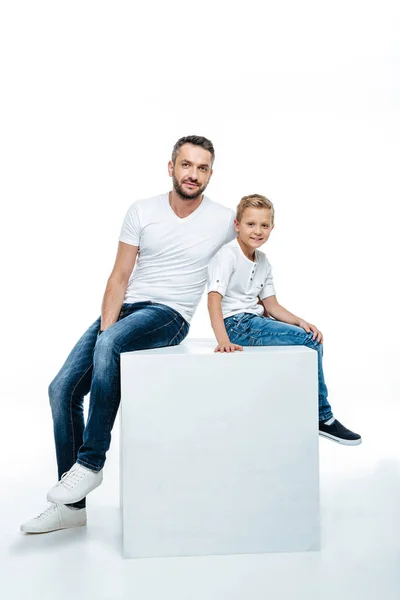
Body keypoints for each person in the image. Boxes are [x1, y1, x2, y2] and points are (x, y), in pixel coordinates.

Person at [21, 135, 236, 534]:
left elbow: (247, 259)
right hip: (127, 309)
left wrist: (270, 314)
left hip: (170, 315)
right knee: (62, 389)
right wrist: (108, 327)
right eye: (186, 165)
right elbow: (119, 278)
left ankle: (90, 462)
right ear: (171, 167)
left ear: (210, 174)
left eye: (202, 168)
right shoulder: (142, 210)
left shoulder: (224, 219)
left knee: (112, 343)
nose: (193, 174)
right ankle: (73, 508)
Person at [207, 193, 361, 446]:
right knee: (309, 343)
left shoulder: (264, 261)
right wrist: (223, 340)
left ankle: (303, 410)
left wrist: (301, 321)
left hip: (253, 321)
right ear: (237, 225)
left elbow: (272, 305)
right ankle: (323, 417)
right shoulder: (228, 255)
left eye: (264, 225)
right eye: (251, 224)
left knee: (309, 336)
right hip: (236, 325)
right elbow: (213, 300)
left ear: (272, 228)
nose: (258, 231)